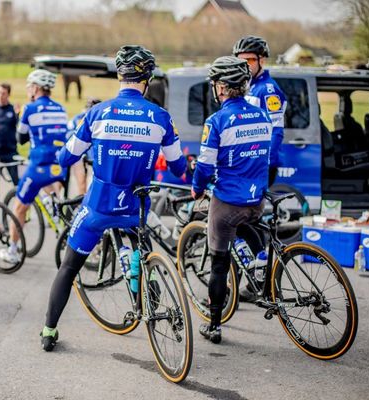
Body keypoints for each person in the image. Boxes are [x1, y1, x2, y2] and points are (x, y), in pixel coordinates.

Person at [39, 45, 187, 351]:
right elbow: (179, 167)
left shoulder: (97, 112)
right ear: (146, 78)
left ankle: (48, 331)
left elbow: (67, 158)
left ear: (119, 75)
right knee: (142, 252)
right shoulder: (160, 117)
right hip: (137, 207)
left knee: (68, 268)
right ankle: (146, 287)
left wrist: (59, 151)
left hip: (98, 208)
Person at [191, 56, 272, 344]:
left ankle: (214, 325)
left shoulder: (217, 121)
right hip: (256, 199)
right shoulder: (262, 115)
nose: (214, 89)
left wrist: (197, 188)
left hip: (227, 202)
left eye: (215, 84)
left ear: (222, 87)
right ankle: (260, 262)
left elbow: (204, 166)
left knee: (219, 264)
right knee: (249, 221)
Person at [0, 69, 69, 264]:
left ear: (36, 88)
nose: (28, 89)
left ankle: (12, 250)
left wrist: (21, 115)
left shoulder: (29, 108)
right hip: (58, 166)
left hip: (38, 165)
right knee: (52, 187)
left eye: (29, 86)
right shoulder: (61, 109)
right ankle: (53, 205)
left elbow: (20, 138)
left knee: (19, 206)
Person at [233, 35, 287, 186]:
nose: (244, 65)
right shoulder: (249, 86)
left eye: (249, 60)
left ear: (261, 60)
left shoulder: (268, 90)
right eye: (240, 61)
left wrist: (265, 162)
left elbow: (276, 130)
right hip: (247, 159)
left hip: (260, 163)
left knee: (249, 207)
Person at [67, 97, 101, 195]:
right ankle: (81, 200)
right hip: (81, 156)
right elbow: (69, 136)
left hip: (94, 158)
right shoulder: (78, 119)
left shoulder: (103, 120)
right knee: (82, 184)